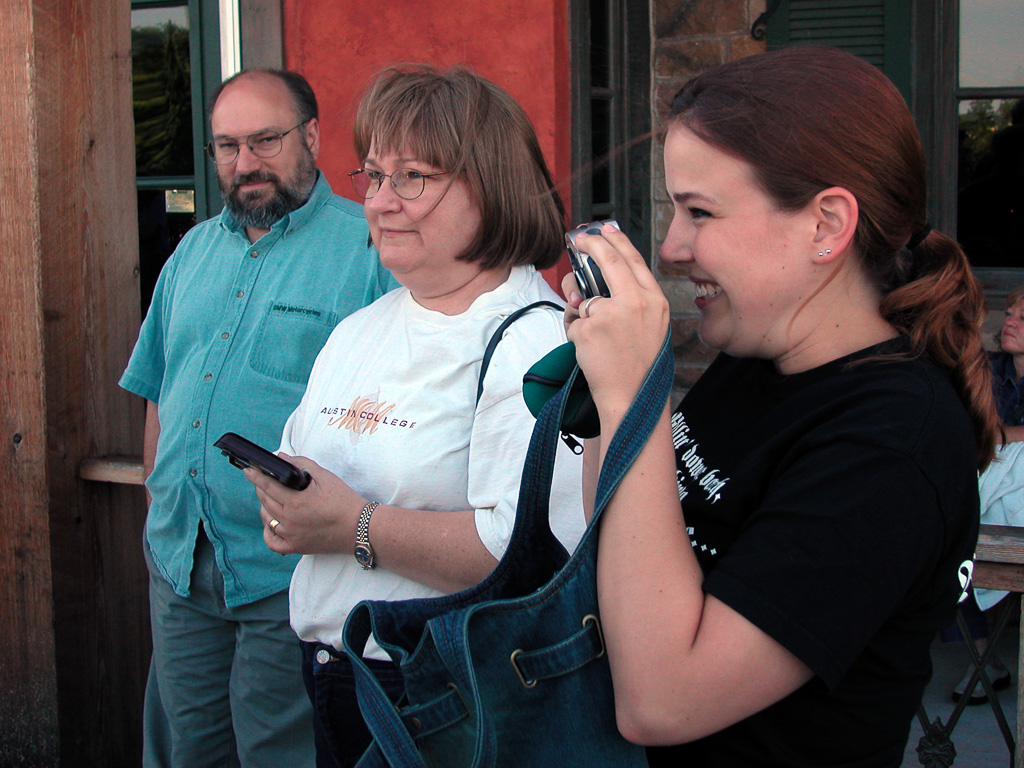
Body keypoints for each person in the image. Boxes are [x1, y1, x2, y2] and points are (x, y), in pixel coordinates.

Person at [561, 46, 999, 766]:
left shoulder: (892, 441)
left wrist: (634, 393)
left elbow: (663, 700)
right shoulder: (753, 358)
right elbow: (617, 543)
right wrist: (603, 395)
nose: (670, 245)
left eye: (699, 211)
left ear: (827, 224)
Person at [244, 64, 587, 768]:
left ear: (491, 188)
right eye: (372, 176)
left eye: (414, 178)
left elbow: (531, 557)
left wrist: (352, 526)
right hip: (335, 675)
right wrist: (287, 501)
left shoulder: (536, 342)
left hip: (446, 696)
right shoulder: (362, 327)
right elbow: (304, 467)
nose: (380, 201)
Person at [119, 69, 396, 768]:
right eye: (226, 146)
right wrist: (161, 502)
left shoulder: (370, 249)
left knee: (283, 753)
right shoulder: (189, 254)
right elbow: (158, 386)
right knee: (191, 750)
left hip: (291, 571)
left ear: (310, 137)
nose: (244, 164)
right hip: (182, 564)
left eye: (265, 140)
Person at [946, 284, 1024, 704]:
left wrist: (1002, 436)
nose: (1008, 320)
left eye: (1022, 318)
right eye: (1010, 312)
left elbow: (990, 437)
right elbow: (965, 430)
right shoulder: (988, 369)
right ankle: (983, 658)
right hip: (979, 483)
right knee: (944, 529)